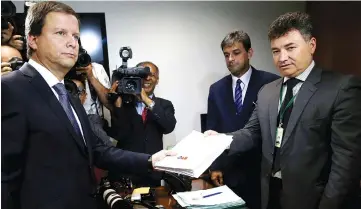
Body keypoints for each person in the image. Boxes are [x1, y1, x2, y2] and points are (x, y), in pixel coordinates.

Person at [1, 2, 174, 209]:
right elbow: (4, 176)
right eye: (60, 33)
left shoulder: (68, 95)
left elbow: (97, 149)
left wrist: (151, 160)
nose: (72, 43)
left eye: (75, 36)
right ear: (33, 39)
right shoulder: (9, 89)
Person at [205, 11, 361, 209]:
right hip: (270, 194)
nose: (282, 57)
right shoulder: (268, 91)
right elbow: (252, 133)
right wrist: (219, 140)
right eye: (276, 51)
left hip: (313, 199)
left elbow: (346, 164)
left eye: (290, 48)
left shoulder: (341, 88)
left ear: (311, 45)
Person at [207, 30, 279, 209]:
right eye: (226, 55)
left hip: (261, 169)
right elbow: (212, 128)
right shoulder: (216, 89)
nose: (230, 59)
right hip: (229, 170)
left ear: (250, 53)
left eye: (236, 53)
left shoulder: (271, 83)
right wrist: (215, 166)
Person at [110, 61, 177, 186]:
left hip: (153, 172)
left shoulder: (164, 105)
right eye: (143, 74)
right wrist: (118, 104)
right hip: (127, 172)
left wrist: (146, 99)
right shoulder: (123, 104)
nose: (147, 77)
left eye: (151, 74)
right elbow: (119, 135)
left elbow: (169, 126)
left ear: (157, 80)